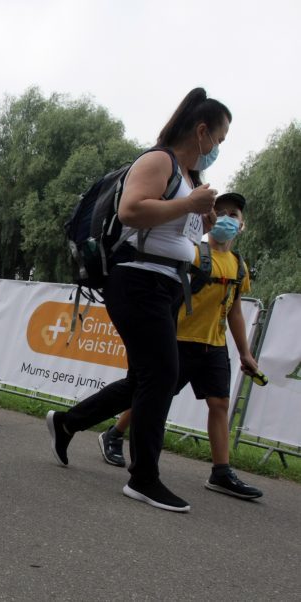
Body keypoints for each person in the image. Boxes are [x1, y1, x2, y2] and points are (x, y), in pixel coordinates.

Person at [46, 88, 230, 513]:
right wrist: (188, 203)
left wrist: (197, 218)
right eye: (218, 139)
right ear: (201, 131)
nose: (218, 148)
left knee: (144, 378)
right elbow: (131, 211)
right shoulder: (159, 161)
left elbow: (167, 232)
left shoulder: (188, 177)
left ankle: (68, 423)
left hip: (164, 286)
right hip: (137, 281)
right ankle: (143, 477)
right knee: (162, 374)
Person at [98, 192, 262, 500]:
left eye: (234, 215)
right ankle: (114, 433)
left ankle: (221, 471)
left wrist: (245, 353)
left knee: (220, 405)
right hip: (179, 340)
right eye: (221, 211)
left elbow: (235, 310)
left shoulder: (239, 266)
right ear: (209, 217)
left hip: (213, 345)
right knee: (152, 395)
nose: (227, 217)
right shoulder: (193, 254)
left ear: (242, 225)